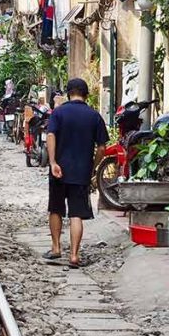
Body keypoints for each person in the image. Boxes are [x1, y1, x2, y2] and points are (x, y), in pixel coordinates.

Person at [44, 78, 108, 268]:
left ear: (68, 93)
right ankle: (74, 255)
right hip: (81, 172)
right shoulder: (94, 116)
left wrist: (53, 162)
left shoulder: (58, 112)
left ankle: (56, 248)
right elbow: (102, 148)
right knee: (76, 214)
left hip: (59, 170)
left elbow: (50, 135)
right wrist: (93, 166)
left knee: (55, 209)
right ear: (86, 94)